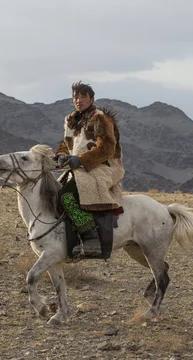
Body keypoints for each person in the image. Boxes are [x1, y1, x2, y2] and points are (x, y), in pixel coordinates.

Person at [55, 81, 124, 258]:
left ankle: (90, 236)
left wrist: (81, 159)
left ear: (91, 99)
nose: (79, 100)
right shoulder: (71, 120)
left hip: (102, 166)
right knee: (53, 191)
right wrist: (62, 155)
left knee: (67, 196)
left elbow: (107, 148)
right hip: (79, 166)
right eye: (75, 97)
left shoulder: (100, 118)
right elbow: (66, 144)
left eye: (83, 97)